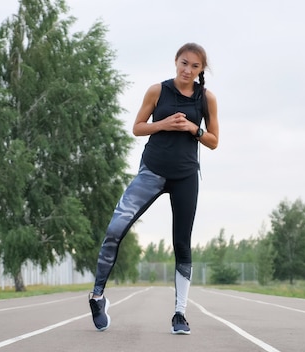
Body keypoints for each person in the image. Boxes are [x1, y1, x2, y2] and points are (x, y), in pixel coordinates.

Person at [88, 42, 219, 335]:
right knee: (114, 229)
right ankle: (97, 297)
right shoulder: (157, 91)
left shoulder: (206, 99)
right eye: (184, 63)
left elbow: (213, 141)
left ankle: (180, 314)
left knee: (182, 244)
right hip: (152, 171)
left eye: (195, 66)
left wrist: (192, 129)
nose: (188, 70)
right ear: (176, 61)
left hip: (186, 176)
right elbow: (137, 127)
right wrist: (164, 124)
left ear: (201, 70)